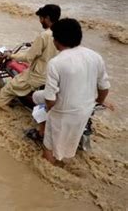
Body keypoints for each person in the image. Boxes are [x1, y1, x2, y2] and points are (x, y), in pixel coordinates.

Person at [32, 18, 111, 164]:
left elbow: (50, 99)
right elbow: (104, 87)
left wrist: (49, 112)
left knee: (48, 145)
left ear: (56, 39)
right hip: (85, 110)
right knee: (71, 140)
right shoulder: (95, 56)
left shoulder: (56, 62)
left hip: (63, 113)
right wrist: (98, 102)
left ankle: (50, 171)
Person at [0, 4, 61, 107]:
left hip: (38, 76)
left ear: (47, 18)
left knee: (7, 89)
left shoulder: (44, 36)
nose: (40, 21)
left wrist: (11, 55)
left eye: (41, 18)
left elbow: (28, 58)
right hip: (53, 76)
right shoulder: (62, 33)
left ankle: (0, 111)